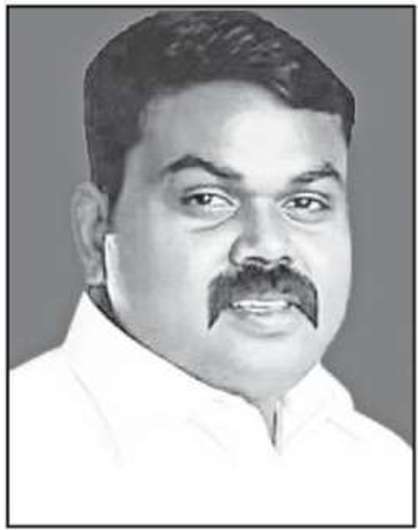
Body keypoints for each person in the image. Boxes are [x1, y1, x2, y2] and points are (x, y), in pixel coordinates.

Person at [10, 10, 412, 525]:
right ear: (95, 233)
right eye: (207, 199)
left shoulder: (386, 473)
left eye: (305, 203)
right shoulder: (20, 462)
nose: (268, 247)